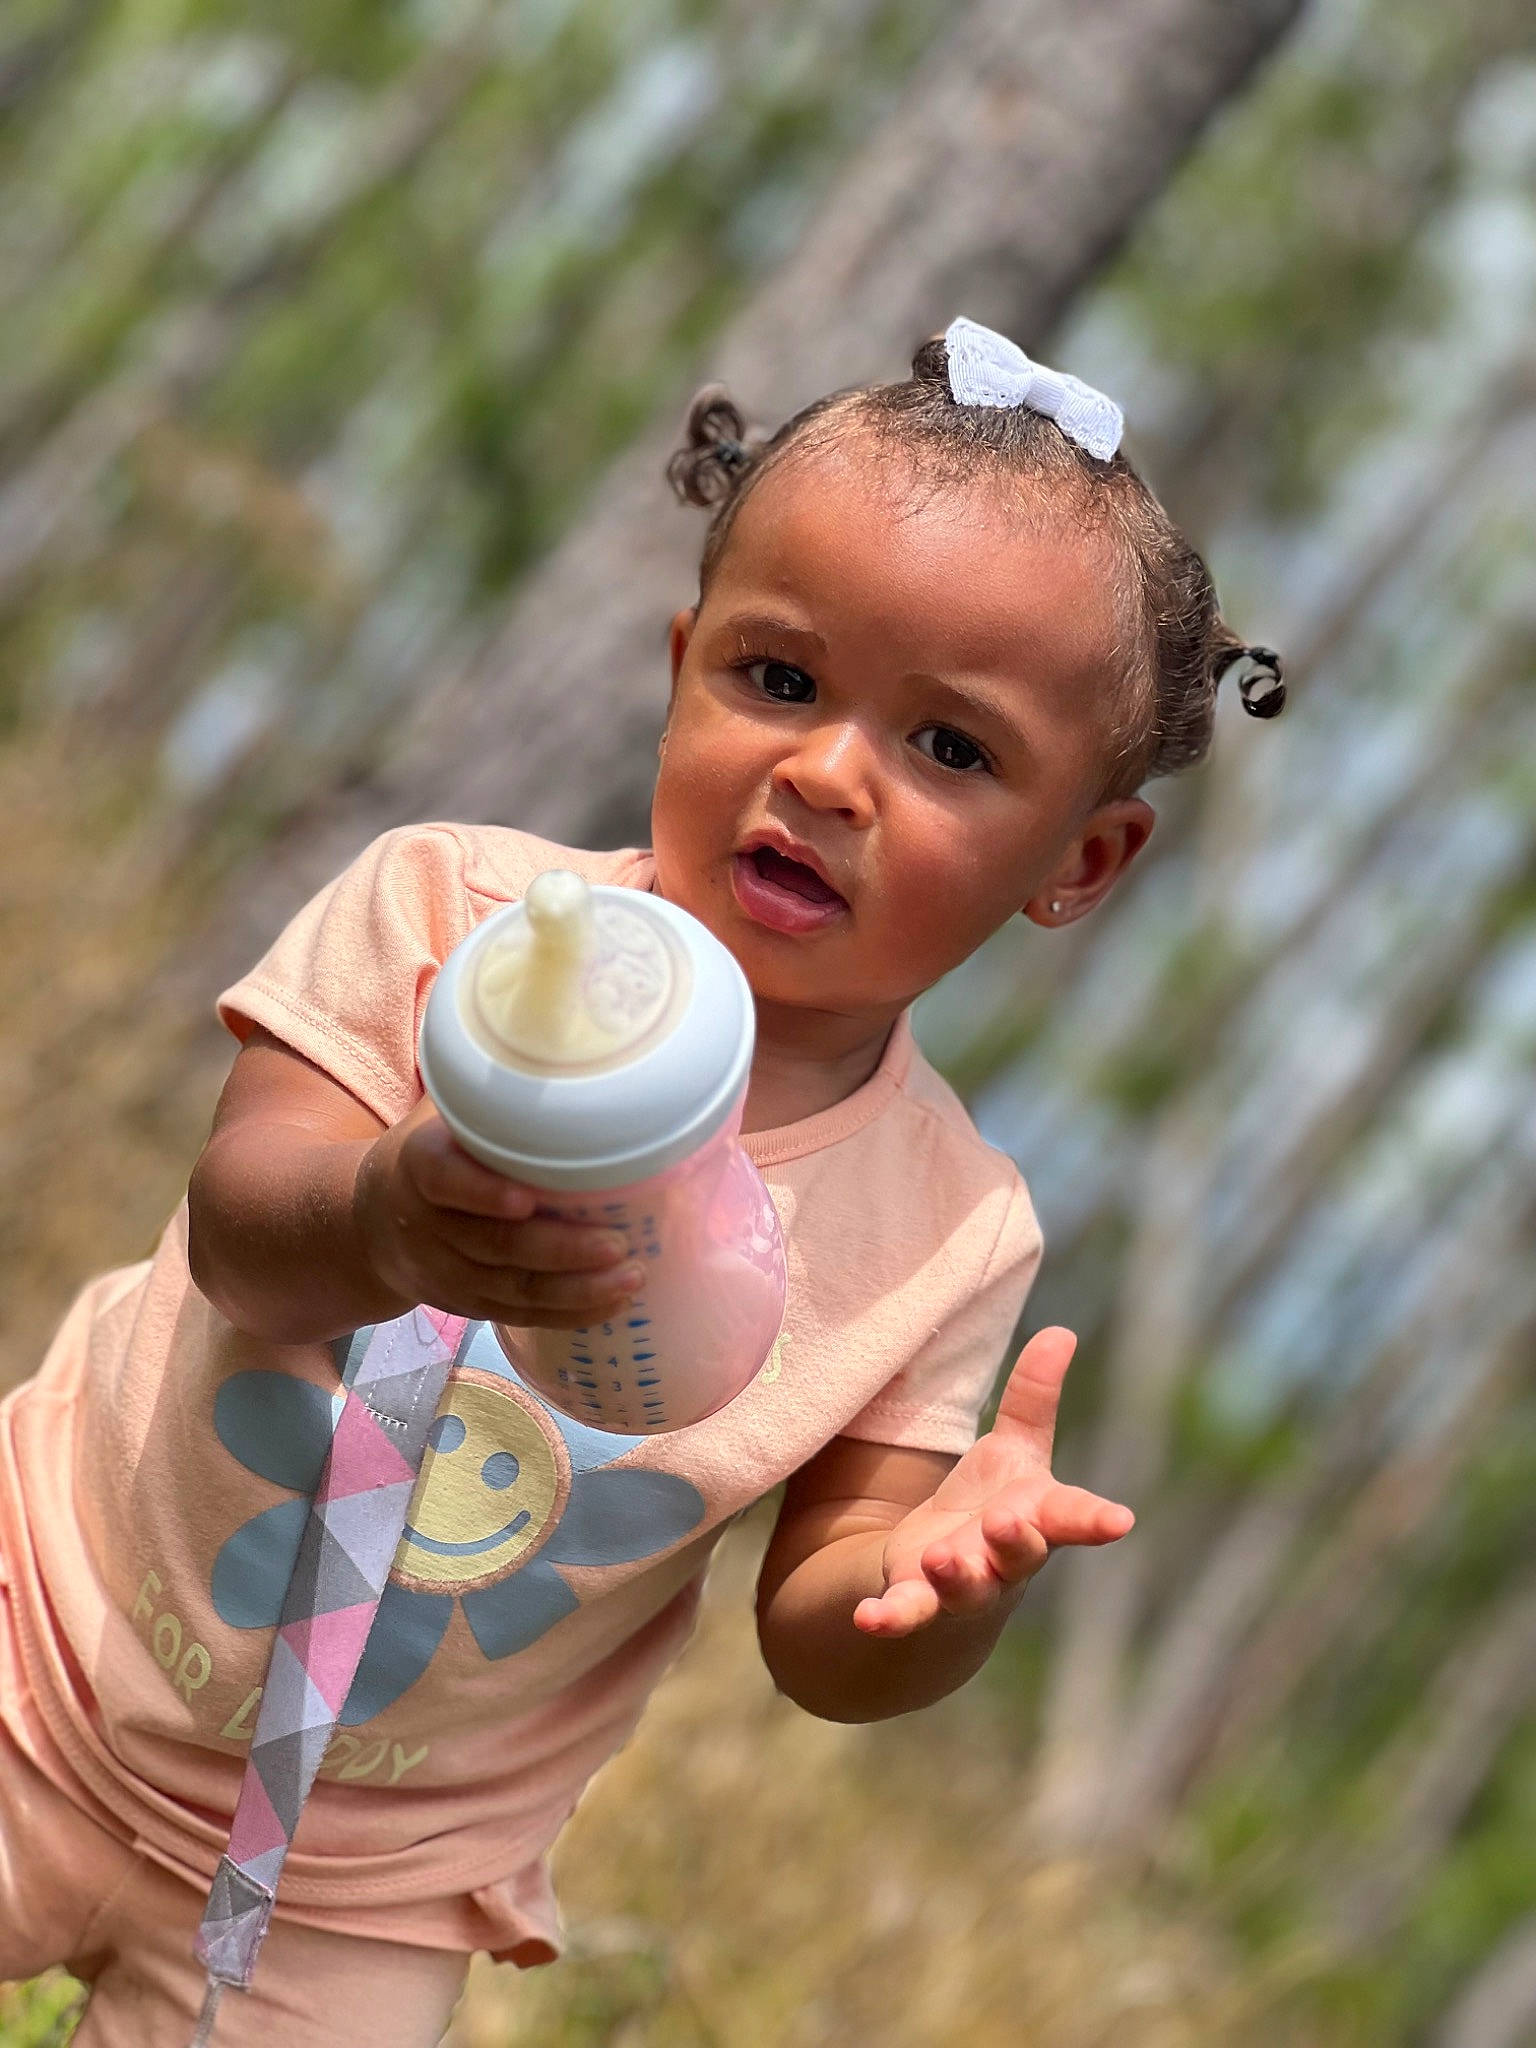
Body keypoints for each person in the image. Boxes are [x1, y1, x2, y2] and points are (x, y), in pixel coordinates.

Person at [0, 318, 1283, 2046]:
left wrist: (940, 1590)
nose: (826, 772)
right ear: (682, 664)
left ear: (1082, 861)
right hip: (50, 1657)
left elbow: (824, 1634)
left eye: (952, 751)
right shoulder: (450, 913)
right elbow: (248, 1231)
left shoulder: (951, 1232)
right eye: (778, 679)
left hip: (355, 1890)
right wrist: (383, 1211)